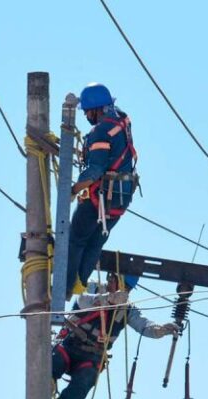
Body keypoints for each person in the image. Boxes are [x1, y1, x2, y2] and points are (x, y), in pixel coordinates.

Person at [14, 273, 177, 399]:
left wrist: (160, 330)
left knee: (85, 382)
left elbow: (144, 325)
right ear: (111, 278)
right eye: (122, 285)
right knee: (52, 366)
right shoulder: (93, 288)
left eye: (128, 288)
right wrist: (106, 299)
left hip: (91, 357)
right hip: (70, 345)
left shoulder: (127, 309)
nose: (124, 291)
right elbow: (82, 300)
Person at [67, 83, 139, 298]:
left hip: (100, 196)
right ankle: (78, 283)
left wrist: (73, 190)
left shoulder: (101, 131)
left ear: (96, 108)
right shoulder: (122, 121)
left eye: (87, 111)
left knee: (76, 240)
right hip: (121, 198)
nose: (87, 116)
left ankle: (66, 285)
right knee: (95, 242)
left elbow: (95, 170)